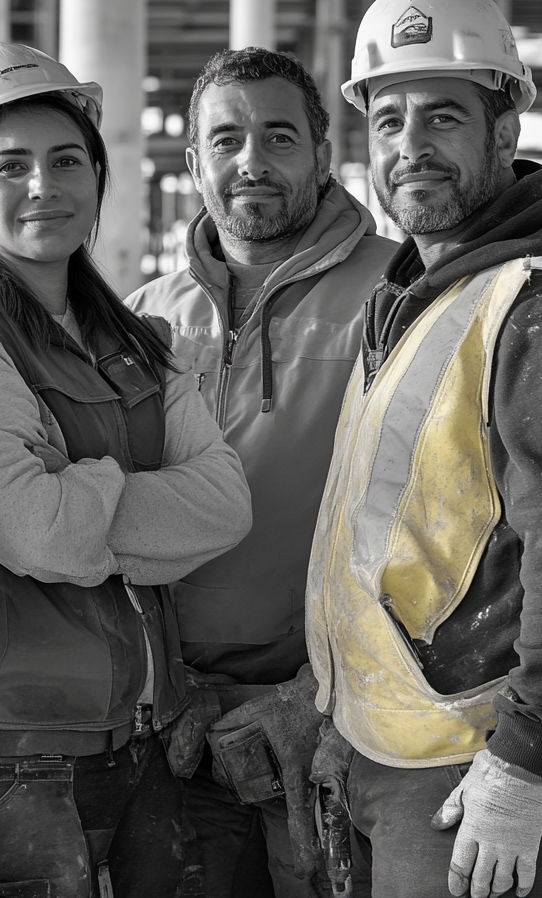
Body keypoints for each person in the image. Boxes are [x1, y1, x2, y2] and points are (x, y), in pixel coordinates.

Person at [306, 0, 542, 898]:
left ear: (505, 129)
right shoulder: (418, 298)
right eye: (388, 121)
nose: (412, 147)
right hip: (389, 752)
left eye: (442, 117)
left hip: (471, 773)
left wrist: (521, 764)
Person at [0, 42, 252, 898]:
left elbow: (227, 503)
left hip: (136, 737)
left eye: (66, 161)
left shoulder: (130, 336)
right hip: (3, 755)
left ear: (98, 175)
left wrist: (76, 483)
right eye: (9, 166)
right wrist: (115, 498)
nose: (42, 186)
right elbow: (37, 534)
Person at [127, 47, 397, 897]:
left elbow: (439, 517)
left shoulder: (400, 289)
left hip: (344, 728)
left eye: (279, 137)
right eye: (227, 140)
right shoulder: (146, 317)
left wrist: (326, 690)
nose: (252, 160)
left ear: (321, 155)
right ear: (194, 162)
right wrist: (163, 684)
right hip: (189, 733)